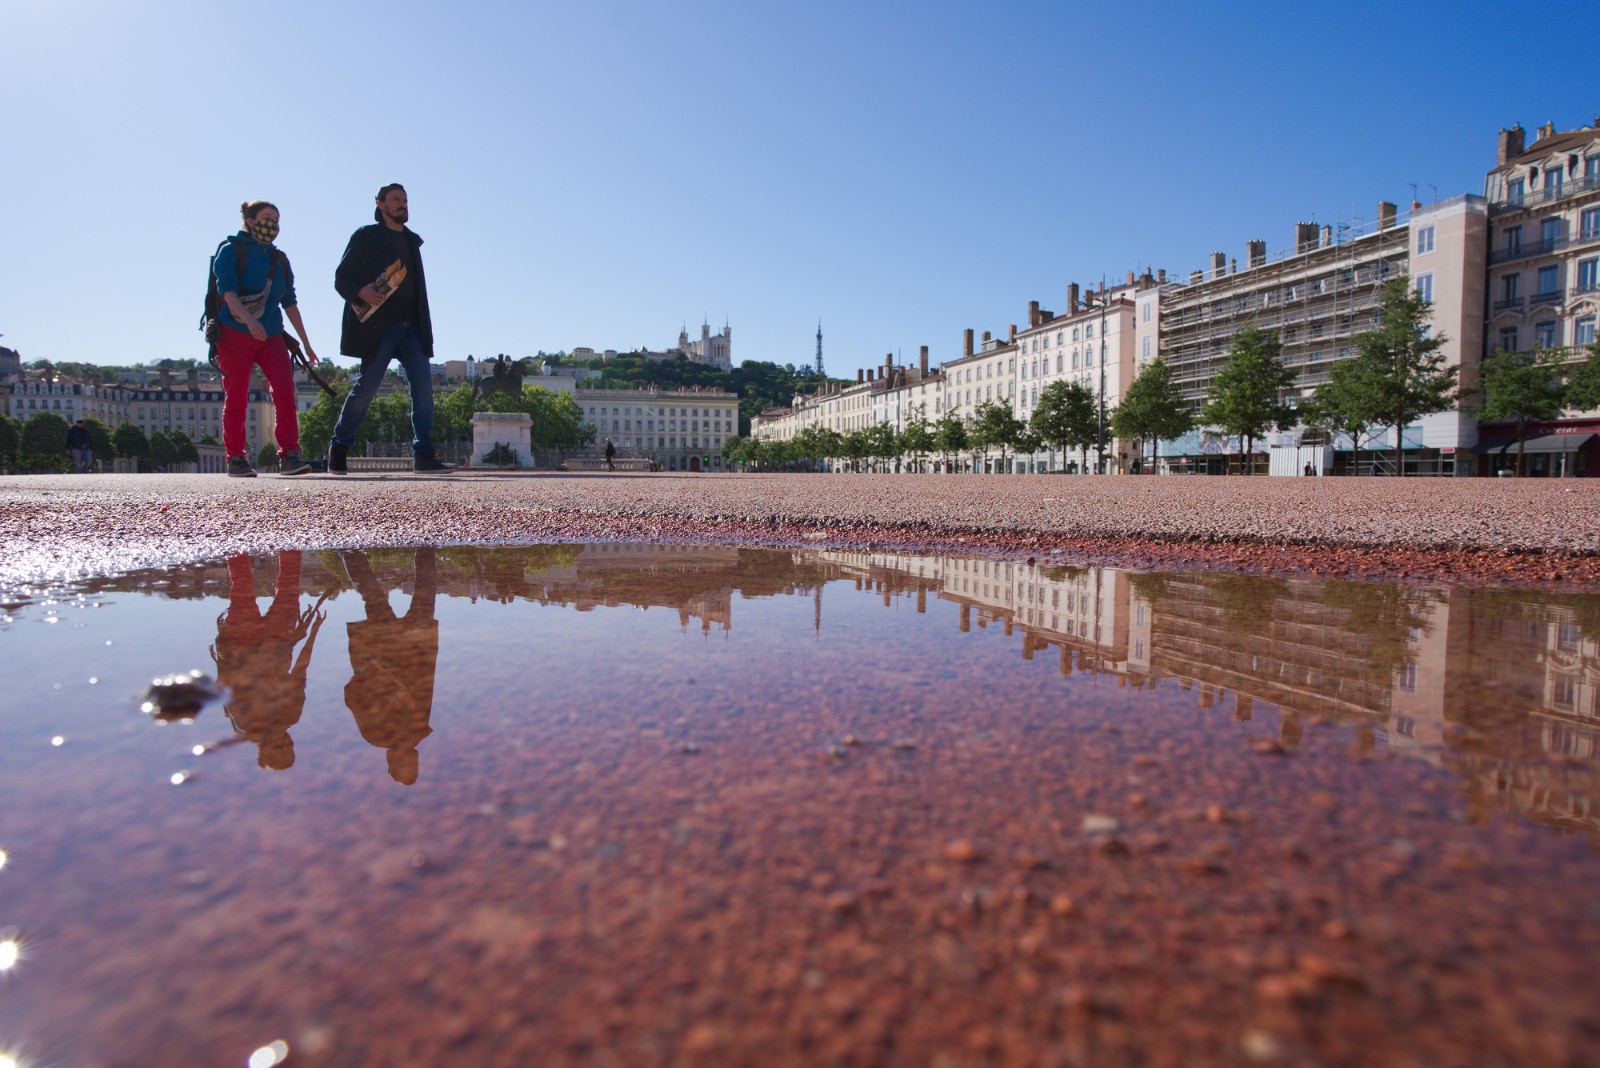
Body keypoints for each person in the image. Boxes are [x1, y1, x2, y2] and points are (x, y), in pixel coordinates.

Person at [329, 183, 449, 474]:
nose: (403, 204)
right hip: (380, 327)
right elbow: (341, 278)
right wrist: (362, 291)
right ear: (380, 203)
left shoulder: (412, 241)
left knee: (423, 391)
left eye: (405, 200)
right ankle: (339, 448)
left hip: (413, 328)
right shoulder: (365, 236)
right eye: (396, 199)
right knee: (366, 388)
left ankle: (424, 455)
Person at [213, 200, 319, 478]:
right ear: (248, 220)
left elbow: (290, 302)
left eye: (276, 219)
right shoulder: (231, 251)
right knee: (236, 395)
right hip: (235, 332)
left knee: (285, 392)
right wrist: (249, 321)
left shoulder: (279, 259)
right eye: (265, 217)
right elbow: (228, 292)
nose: (271, 224)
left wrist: (306, 343)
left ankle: (290, 455)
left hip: (271, 335)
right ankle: (236, 458)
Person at [210, 551, 325, 770]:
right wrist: (312, 632)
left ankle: (236, 539)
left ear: (264, 752)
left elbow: (230, 680)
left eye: (278, 750)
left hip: (241, 645)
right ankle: (291, 538)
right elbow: (301, 672)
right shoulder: (291, 716)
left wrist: (247, 651)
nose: (283, 743)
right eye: (288, 747)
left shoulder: (245, 723)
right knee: (289, 589)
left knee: (242, 588)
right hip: (280, 643)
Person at [341, 547, 439, 785]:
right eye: (413, 764)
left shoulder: (377, 735)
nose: (412, 759)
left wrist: (375, 670)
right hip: (414, 651)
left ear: (391, 760)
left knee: (376, 596)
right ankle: (425, 546)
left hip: (384, 654)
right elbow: (422, 688)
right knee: (421, 594)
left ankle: (350, 552)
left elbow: (353, 696)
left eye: (406, 764)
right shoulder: (417, 731)